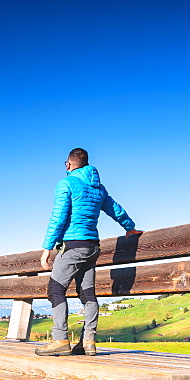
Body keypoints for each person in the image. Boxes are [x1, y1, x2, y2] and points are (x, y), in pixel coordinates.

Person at [35, 148, 142, 356]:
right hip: (92, 247)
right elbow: (115, 209)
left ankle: (59, 340)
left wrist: (47, 247)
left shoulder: (66, 184)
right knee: (87, 294)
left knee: (55, 289)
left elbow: (58, 217)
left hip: (73, 245)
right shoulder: (98, 188)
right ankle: (89, 342)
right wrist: (130, 227)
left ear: (68, 164)